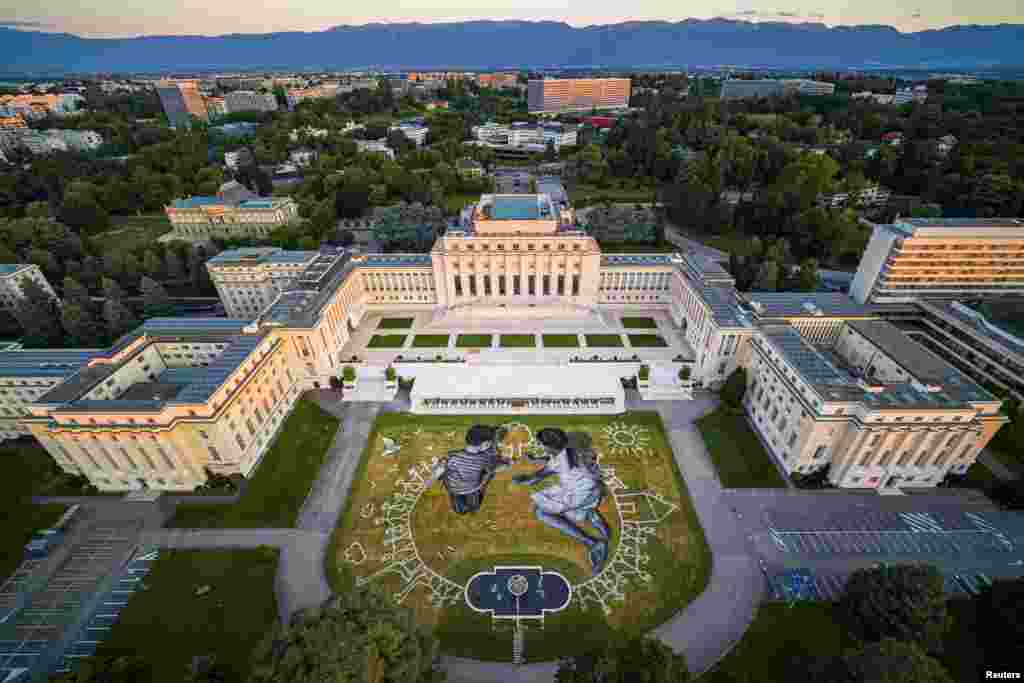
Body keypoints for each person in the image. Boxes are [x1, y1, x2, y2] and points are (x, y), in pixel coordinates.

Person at [513, 427, 610, 574]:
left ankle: (593, 543)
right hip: (593, 491)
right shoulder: (575, 449)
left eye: (542, 445)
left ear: (550, 447)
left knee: (541, 511)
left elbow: (535, 478)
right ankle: (590, 514)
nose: (540, 447)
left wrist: (522, 479)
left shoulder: (558, 462)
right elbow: (558, 460)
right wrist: (538, 459)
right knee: (563, 498)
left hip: (579, 495)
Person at [434, 424, 510, 515]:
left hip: (454, 488)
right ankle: (472, 508)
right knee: (474, 505)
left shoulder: (451, 455)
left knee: (459, 506)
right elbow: (496, 467)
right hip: (472, 489)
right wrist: (507, 463)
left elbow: (440, 471)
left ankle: (461, 510)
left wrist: (440, 475)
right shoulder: (484, 459)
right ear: (486, 444)